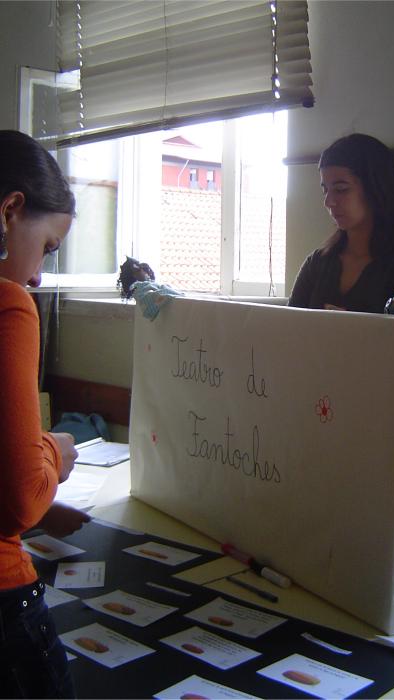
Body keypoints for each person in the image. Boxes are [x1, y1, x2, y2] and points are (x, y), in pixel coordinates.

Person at [0, 130, 89, 698]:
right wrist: (55, 450)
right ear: (10, 210)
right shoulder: (9, 304)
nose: (37, 276)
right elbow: (21, 499)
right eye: (49, 247)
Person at [288, 133, 394, 312]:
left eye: (341, 189)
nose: (329, 202)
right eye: (325, 190)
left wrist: (350, 324)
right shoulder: (318, 262)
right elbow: (288, 323)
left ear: (375, 190)